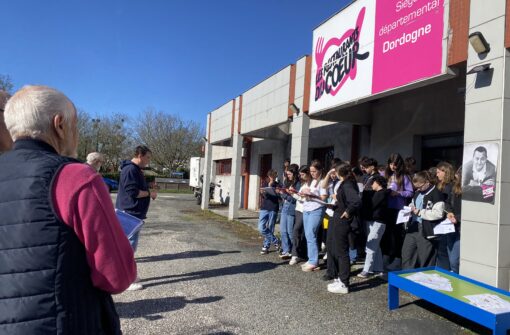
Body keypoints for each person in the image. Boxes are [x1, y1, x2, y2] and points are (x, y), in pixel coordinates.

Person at [0, 85, 136, 334]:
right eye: (76, 125)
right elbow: (117, 276)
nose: (77, 134)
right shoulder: (76, 177)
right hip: (65, 322)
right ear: (59, 124)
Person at [116, 145, 157, 290]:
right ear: (140, 155)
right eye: (147, 157)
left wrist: (147, 187)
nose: (148, 161)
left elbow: (136, 188)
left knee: (128, 247)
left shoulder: (135, 170)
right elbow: (133, 192)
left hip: (133, 214)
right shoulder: (130, 170)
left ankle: (129, 275)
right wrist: (149, 193)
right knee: (128, 248)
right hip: (129, 213)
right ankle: (128, 279)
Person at [326, 163, 361, 294]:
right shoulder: (346, 183)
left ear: (340, 173)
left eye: (335, 172)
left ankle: (344, 283)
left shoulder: (347, 184)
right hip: (337, 217)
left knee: (342, 252)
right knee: (336, 249)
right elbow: (345, 201)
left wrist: (348, 211)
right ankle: (340, 279)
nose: (333, 175)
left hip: (343, 221)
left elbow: (356, 201)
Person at [402, 171, 445, 269]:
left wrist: (420, 212)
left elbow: (438, 214)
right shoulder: (417, 192)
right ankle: (406, 279)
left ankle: (423, 280)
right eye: (416, 187)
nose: (418, 189)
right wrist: (410, 208)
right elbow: (413, 203)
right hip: (413, 226)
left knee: (425, 258)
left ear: (427, 182)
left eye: (420, 187)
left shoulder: (436, 194)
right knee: (407, 254)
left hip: (426, 229)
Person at [381, 153, 413, 271]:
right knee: (385, 235)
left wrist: (399, 193)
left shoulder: (404, 176)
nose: (392, 167)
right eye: (390, 164)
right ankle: (385, 260)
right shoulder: (384, 174)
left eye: (395, 165)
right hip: (385, 208)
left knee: (395, 236)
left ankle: (395, 262)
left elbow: (410, 192)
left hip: (398, 210)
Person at [358, 175, 390, 278]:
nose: (371, 185)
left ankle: (367, 269)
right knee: (376, 246)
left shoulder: (382, 193)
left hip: (378, 222)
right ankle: (379, 269)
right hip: (373, 221)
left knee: (371, 245)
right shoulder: (378, 193)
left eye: (373, 182)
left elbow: (371, 205)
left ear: (378, 182)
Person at [300, 160, 327, 272]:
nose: (312, 173)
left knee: (311, 234)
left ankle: (313, 261)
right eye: (311, 171)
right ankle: (311, 258)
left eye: (314, 171)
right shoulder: (312, 181)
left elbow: (324, 197)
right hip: (307, 208)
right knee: (308, 235)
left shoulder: (322, 182)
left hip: (316, 209)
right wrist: (303, 194)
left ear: (320, 170)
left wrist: (312, 194)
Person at [277, 164, 300, 259]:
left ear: (294, 174)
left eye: (290, 174)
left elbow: (295, 199)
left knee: (290, 231)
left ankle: (294, 251)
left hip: (291, 208)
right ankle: (286, 250)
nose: (288, 176)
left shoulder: (298, 184)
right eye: (287, 174)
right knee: (283, 231)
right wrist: (280, 192)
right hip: (285, 207)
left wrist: (284, 195)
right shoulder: (286, 182)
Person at [435, 162, 455, 270]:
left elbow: (448, 204)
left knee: (445, 248)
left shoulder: (450, 186)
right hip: (441, 220)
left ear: (445, 172)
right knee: (442, 248)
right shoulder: (440, 185)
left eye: (438, 172)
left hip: (447, 220)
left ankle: (445, 271)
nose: (437, 175)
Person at [289, 165, 309, 265]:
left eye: (302, 174)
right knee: (298, 231)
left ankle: (295, 254)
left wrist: (294, 195)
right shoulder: (303, 183)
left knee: (297, 230)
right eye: (300, 174)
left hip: (304, 210)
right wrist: (293, 193)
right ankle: (299, 254)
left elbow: (305, 199)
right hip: (298, 209)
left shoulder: (310, 184)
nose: (300, 176)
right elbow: (300, 198)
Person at [258, 169, 281, 254]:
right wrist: (262, 193)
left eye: (274, 176)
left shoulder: (278, 185)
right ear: (268, 176)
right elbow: (263, 196)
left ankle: (266, 246)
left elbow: (280, 197)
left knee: (271, 227)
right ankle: (276, 241)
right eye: (270, 176)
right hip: (264, 207)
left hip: (273, 208)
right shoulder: (264, 183)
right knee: (261, 227)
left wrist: (277, 192)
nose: (272, 178)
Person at [444, 167, 462, 273]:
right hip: (451, 226)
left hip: (460, 228)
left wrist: (458, 218)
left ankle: (456, 276)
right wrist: (449, 212)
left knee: (454, 260)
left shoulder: (470, 189)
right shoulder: (453, 187)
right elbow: (447, 203)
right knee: (451, 257)